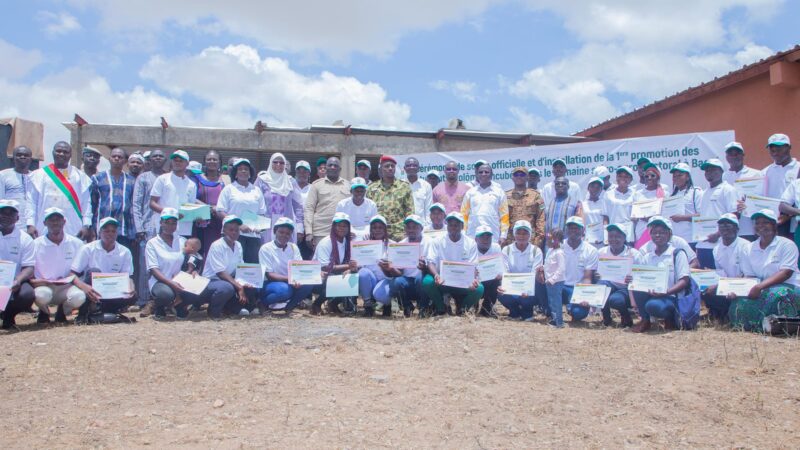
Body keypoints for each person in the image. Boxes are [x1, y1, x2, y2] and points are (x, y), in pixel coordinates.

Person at [729, 209, 800, 331]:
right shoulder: (748, 248)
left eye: (765, 222)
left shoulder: (787, 244)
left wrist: (759, 287)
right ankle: (759, 326)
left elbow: (786, 273)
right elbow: (749, 276)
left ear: (774, 224)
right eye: (757, 223)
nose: (761, 226)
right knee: (737, 302)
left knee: (776, 295)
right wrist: (738, 290)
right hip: (761, 288)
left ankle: (784, 325)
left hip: (789, 286)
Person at [70, 217, 136, 323]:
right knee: (94, 271)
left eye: (113, 231)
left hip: (110, 291)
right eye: (106, 231)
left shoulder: (125, 252)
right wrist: (84, 287)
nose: (110, 234)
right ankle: (83, 313)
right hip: (90, 291)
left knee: (133, 296)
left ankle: (104, 312)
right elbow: (72, 273)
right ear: (99, 232)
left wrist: (131, 286)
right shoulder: (87, 249)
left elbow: (127, 277)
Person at [631, 216, 691, 332]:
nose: (658, 235)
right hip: (653, 293)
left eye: (662, 232)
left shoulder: (677, 254)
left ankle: (670, 317)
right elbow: (641, 278)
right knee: (636, 286)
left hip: (672, 296)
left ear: (669, 234)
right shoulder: (648, 256)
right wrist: (633, 279)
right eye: (654, 233)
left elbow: (684, 280)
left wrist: (666, 292)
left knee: (653, 306)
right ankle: (645, 320)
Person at [30, 207, 87, 324]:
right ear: (44, 223)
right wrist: (43, 281)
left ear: (64, 221)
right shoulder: (35, 245)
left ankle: (62, 311)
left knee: (79, 297)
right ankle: (44, 311)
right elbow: (29, 273)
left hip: (66, 287)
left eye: (58, 219)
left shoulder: (77, 243)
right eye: (51, 220)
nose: (55, 222)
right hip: (44, 286)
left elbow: (82, 270)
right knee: (41, 295)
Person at [421, 212, 483, 316]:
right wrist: (436, 275)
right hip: (442, 281)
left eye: (456, 225)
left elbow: (473, 267)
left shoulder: (470, 243)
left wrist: (473, 279)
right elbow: (430, 262)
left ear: (462, 226)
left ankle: (462, 309)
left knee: (479, 288)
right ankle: (442, 308)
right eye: (450, 224)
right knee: (427, 281)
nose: (453, 227)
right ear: (447, 226)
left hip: (462, 282)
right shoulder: (437, 241)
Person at [29, 141, 93, 240]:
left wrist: (86, 225)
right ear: (53, 152)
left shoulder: (80, 177)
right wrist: (30, 224)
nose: (61, 154)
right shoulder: (39, 175)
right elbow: (31, 202)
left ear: (70, 155)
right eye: (58, 151)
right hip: (44, 226)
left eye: (65, 152)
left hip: (72, 226)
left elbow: (86, 204)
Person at [132, 149, 166, 312]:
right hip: (147, 227)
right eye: (155, 156)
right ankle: (144, 300)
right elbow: (137, 204)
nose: (158, 158)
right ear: (149, 160)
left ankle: (163, 300)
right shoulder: (143, 177)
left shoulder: (169, 178)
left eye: (160, 156)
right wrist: (139, 227)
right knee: (145, 265)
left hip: (167, 228)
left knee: (164, 265)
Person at [259, 218, 316, 312]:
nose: (284, 235)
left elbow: (300, 267)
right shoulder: (266, 248)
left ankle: (289, 307)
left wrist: (313, 274)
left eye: (288, 233)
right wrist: (290, 279)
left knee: (309, 283)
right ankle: (262, 303)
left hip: (290, 281)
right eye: (281, 232)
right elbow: (270, 275)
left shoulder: (293, 247)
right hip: (270, 283)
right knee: (284, 290)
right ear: (274, 232)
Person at [216, 158, 266, 263]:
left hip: (253, 236)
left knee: (250, 268)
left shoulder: (256, 190)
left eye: (246, 169)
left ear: (250, 173)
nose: (243, 171)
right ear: (235, 173)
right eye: (240, 169)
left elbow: (262, 213)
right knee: (232, 265)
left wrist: (259, 227)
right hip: (232, 235)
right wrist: (238, 226)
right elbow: (220, 211)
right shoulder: (228, 189)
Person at [702, 214, 748, 323]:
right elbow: (721, 273)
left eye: (729, 224)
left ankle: (729, 315)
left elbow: (746, 275)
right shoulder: (716, 249)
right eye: (722, 225)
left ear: (737, 228)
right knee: (704, 290)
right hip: (726, 285)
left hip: (742, 285)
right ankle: (720, 314)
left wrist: (721, 285)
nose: (725, 227)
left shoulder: (746, 246)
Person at [201, 216, 249, 317]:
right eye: (231, 230)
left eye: (237, 230)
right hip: (212, 280)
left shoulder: (238, 245)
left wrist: (247, 281)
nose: (234, 233)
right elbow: (220, 273)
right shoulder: (217, 245)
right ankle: (214, 311)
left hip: (229, 278)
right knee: (226, 288)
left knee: (251, 286)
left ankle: (233, 309)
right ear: (223, 230)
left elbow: (240, 267)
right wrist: (239, 286)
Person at [311, 212, 358, 315]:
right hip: (318, 277)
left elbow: (353, 262)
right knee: (334, 278)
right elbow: (325, 267)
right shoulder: (326, 242)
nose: (342, 228)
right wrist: (348, 266)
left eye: (345, 226)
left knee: (353, 276)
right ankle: (316, 304)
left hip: (336, 273)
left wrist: (350, 269)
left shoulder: (348, 242)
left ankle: (333, 303)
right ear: (333, 227)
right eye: (339, 226)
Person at [695, 159, 738, 268]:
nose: (709, 172)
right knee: (706, 278)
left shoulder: (728, 189)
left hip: (720, 244)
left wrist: (718, 234)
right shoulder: (704, 193)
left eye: (713, 169)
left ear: (721, 171)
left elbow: (735, 215)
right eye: (707, 170)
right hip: (703, 244)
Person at [496, 220, 543, 320]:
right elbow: (505, 272)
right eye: (518, 233)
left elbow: (534, 274)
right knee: (501, 292)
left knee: (529, 297)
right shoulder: (506, 250)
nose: (521, 236)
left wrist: (526, 289)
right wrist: (505, 286)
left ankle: (527, 311)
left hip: (528, 289)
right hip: (512, 287)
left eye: (525, 233)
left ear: (530, 235)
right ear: (514, 234)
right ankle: (515, 311)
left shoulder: (536, 251)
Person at [90, 147, 136, 248]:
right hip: (103, 228)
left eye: (120, 157)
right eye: (114, 156)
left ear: (124, 161)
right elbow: (92, 204)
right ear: (109, 159)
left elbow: (133, 207)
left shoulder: (132, 181)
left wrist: (133, 231)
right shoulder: (97, 178)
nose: (116, 158)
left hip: (123, 229)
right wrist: (92, 227)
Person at [0, 200, 35, 329]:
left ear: (17, 218)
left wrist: (18, 280)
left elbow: (29, 267)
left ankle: (8, 316)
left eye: (10, 214)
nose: (5, 216)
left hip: (13, 281)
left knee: (27, 294)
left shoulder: (25, 239)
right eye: (2, 213)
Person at [596, 224, 639, 327]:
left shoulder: (634, 254)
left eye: (618, 236)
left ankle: (626, 316)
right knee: (601, 284)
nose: (614, 239)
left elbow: (641, 274)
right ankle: (606, 318)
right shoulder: (602, 252)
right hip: (610, 285)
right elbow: (597, 272)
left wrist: (634, 278)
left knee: (616, 300)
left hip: (627, 289)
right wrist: (596, 275)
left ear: (624, 238)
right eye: (611, 236)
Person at [149, 150, 199, 239]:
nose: (177, 163)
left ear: (187, 164)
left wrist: (199, 216)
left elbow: (191, 206)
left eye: (181, 161)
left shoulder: (192, 185)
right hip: (164, 227)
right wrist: (171, 215)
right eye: (175, 160)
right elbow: (152, 203)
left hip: (184, 229)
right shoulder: (162, 179)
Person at [256, 153, 304, 243]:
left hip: (286, 225)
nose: (278, 165)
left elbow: (298, 207)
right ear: (270, 163)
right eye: (275, 162)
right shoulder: (262, 180)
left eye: (282, 163)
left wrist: (299, 228)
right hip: (266, 225)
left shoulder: (291, 182)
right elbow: (255, 202)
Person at [304, 157, 350, 249]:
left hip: (342, 232)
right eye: (330, 165)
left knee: (341, 262)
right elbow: (309, 208)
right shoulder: (316, 185)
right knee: (321, 262)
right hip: (321, 232)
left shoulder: (348, 185)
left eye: (335, 165)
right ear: (326, 168)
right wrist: (309, 232)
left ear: (340, 169)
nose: (333, 167)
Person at [358, 215, 400, 317]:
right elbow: (359, 265)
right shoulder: (364, 244)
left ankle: (387, 304)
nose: (377, 230)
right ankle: (368, 305)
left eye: (380, 227)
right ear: (370, 229)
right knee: (362, 273)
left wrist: (389, 268)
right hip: (370, 280)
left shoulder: (393, 245)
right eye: (374, 227)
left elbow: (399, 271)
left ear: (385, 229)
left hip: (385, 280)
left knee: (382, 295)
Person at [389, 215, 430, 317]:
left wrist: (425, 268)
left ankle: (424, 307)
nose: (411, 230)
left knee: (421, 279)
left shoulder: (429, 243)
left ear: (421, 228)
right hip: (407, 281)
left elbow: (435, 265)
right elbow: (399, 271)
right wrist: (391, 267)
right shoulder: (401, 244)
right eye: (408, 227)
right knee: (395, 282)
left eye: (415, 227)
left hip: (422, 280)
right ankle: (407, 306)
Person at [559, 217, 599, 322]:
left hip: (578, 288)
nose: (573, 231)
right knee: (549, 311)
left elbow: (587, 277)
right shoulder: (558, 246)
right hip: (560, 286)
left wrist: (585, 295)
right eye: (570, 228)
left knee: (578, 314)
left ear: (583, 230)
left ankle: (571, 307)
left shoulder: (591, 250)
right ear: (566, 230)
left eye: (576, 228)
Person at [366, 155, 414, 241]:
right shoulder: (372, 188)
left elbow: (410, 211)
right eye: (387, 166)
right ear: (381, 169)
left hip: (399, 233)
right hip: (378, 233)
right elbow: (367, 212)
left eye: (392, 166)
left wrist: (409, 231)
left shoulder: (404, 187)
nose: (390, 168)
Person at [461, 163, 509, 244]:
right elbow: (464, 214)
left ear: (491, 174)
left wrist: (503, 235)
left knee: (492, 257)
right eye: (481, 172)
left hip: (493, 234)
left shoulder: (499, 192)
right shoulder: (470, 192)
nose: (483, 174)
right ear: (477, 174)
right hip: (472, 235)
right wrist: (463, 233)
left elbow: (504, 215)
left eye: (486, 172)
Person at [723, 141, 759, 240]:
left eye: (737, 153)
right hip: (729, 230)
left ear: (743, 155)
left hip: (750, 228)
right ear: (726, 157)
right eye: (731, 154)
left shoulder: (756, 174)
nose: (734, 156)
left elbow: (761, 200)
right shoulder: (723, 177)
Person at [762, 133, 796, 237]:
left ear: (789, 147)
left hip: (794, 223)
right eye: (772, 150)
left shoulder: (798, 168)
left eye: (780, 149)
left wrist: (788, 215)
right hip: (772, 224)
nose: (776, 153)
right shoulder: (765, 172)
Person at [193, 151, 225, 257]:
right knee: (201, 253)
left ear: (220, 162)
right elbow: (191, 197)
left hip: (220, 223)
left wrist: (218, 209)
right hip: (201, 222)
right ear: (204, 162)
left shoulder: (226, 180)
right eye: (209, 159)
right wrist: (209, 208)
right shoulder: (196, 178)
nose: (212, 161)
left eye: (215, 159)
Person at [506, 166, 545, 248]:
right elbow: (502, 219)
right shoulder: (506, 196)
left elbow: (541, 219)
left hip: (531, 240)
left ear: (527, 177)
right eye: (516, 175)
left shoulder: (536, 196)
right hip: (511, 240)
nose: (519, 177)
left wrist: (538, 240)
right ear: (512, 178)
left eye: (522, 175)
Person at [0, 146, 35, 236]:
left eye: (25, 155)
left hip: (31, 226)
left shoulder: (36, 177)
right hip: (9, 225)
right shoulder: (3, 175)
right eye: (19, 155)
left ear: (31, 159)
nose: (22, 157)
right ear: (13, 158)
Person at [666, 163, 702, 247]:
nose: (676, 178)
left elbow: (702, 216)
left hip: (692, 239)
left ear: (687, 177)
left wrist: (682, 218)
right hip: (675, 241)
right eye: (674, 176)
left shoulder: (696, 192)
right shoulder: (671, 197)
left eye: (680, 175)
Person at [631, 163, 666, 246]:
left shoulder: (665, 193)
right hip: (641, 230)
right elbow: (634, 215)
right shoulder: (638, 194)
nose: (649, 178)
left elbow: (666, 213)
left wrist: (652, 219)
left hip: (659, 231)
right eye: (647, 176)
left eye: (652, 176)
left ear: (658, 177)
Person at [601, 166, 635, 244]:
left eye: (626, 176)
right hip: (613, 234)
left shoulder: (635, 193)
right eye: (620, 176)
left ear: (631, 179)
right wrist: (606, 236)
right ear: (616, 178)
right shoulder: (608, 194)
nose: (623, 178)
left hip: (629, 234)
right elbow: (605, 218)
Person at [474, 225, 502, 316]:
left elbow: (500, 267)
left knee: (497, 281)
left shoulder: (496, 247)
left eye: (488, 237)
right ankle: (473, 305)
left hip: (490, 281)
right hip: (475, 281)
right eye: (482, 237)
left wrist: (499, 274)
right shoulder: (470, 247)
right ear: (476, 239)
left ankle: (487, 308)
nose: (485, 240)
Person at [544, 176, 582, 241]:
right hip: (550, 242)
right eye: (557, 184)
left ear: (568, 186)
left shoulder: (576, 203)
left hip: (568, 242)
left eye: (563, 183)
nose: (560, 185)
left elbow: (579, 223)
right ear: (554, 187)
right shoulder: (549, 203)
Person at [542, 229, 566, 327]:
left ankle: (559, 322)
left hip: (556, 282)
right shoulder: (550, 251)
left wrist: (553, 279)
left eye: (549, 239)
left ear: (556, 240)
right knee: (551, 301)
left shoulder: (559, 253)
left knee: (556, 302)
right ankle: (554, 319)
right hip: (549, 280)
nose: (547, 241)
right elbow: (548, 264)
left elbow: (562, 268)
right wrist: (542, 268)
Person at [404, 158, 433, 224]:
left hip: (422, 225)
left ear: (418, 168)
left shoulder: (426, 185)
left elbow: (428, 209)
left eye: (414, 165)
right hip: (404, 225)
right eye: (409, 165)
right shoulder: (400, 185)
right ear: (404, 168)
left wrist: (427, 225)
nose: (411, 167)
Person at [294, 160, 313, 259]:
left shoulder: (313, 188)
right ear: (295, 172)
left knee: (307, 257)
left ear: (309, 173)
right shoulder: (290, 187)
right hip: (292, 229)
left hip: (309, 229)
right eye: (299, 171)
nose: (302, 173)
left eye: (305, 171)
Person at [582, 177, 605, 248]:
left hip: (602, 240)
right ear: (588, 188)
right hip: (587, 240)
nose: (595, 189)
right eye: (592, 187)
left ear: (601, 190)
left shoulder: (604, 203)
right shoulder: (582, 204)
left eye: (598, 187)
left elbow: (606, 221)